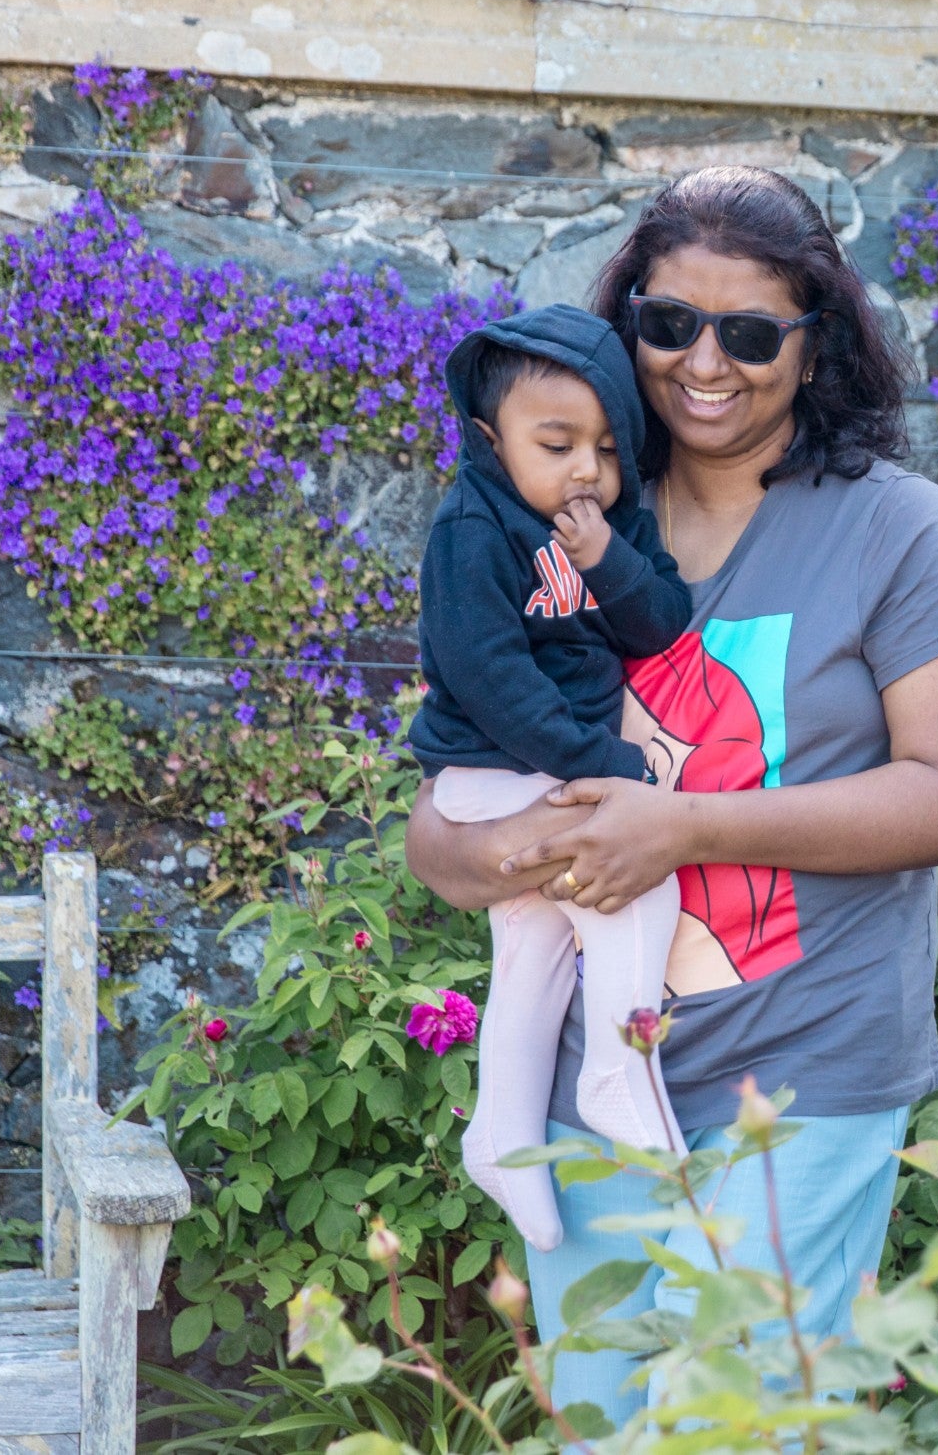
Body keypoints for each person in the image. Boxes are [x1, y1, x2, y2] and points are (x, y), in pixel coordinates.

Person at [398, 166, 938, 1422]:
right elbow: (444, 821)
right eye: (670, 323)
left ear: (818, 344)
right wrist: (507, 846)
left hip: (798, 1090)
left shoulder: (898, 531)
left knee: (732, 1434)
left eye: (751, 334)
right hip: (594, 1092)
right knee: (603, 1428)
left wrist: (681, 825)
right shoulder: (554, 515)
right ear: (624, 319)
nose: (706, 362)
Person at [406, 305, 695, 1254]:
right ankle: (617, 1069)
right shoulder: (471, 529)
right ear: (491, 440)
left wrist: (608, 559)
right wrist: (602, 765)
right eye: (557, 444)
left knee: (532, 966)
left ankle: (498, 1134)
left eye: (608, 450)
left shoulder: (608, 523)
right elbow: (493, 679)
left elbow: (661, 621)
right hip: (496, 771)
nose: (585, 470)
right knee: (633, 891)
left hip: (541, 769)